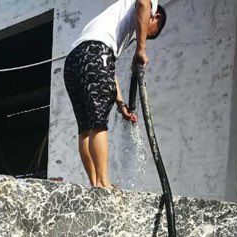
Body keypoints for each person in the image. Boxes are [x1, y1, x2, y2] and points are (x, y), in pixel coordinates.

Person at [64, 0, 167, 188]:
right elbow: (143, 3)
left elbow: (107, 70)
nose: (143, 35)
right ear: (155, 17)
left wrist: (120, 104)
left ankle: (95, 184)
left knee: (85, 127)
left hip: (73, 60)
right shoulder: (150, 4)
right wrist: (141, 49)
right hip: (96, 52)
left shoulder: (108, 26)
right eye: (149, 32)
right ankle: (104, 183)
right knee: (98, 122)